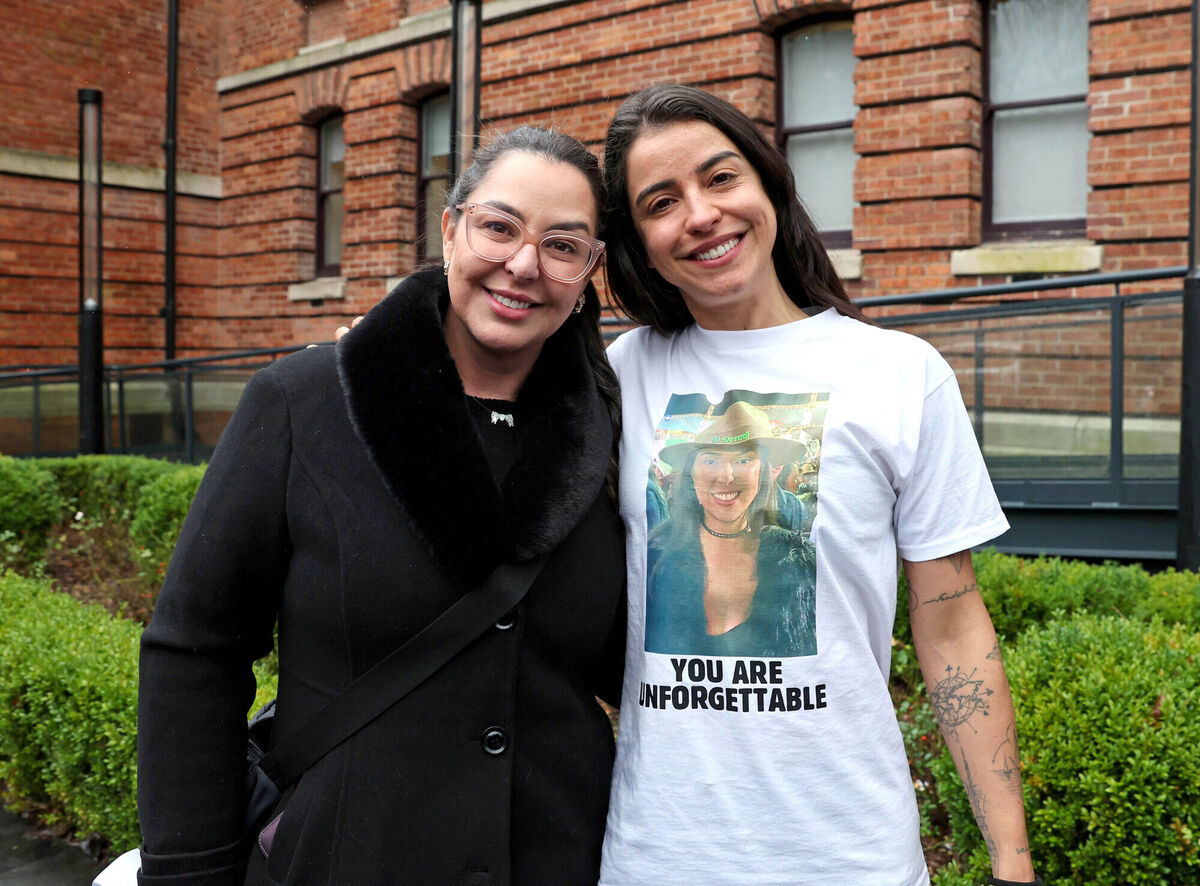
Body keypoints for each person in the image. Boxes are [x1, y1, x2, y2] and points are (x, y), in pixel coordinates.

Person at [136, 126, 626, 886]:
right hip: (345, 858)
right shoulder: (307, 403)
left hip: (563, 860)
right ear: (451, 227)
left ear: (591, 268)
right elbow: (194, 652)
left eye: (563, 246)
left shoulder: (612, 427)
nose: (524, 265)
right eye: (499, 227)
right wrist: (189, 874)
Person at [598, 84, 1039, 886]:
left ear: (768, 184)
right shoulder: (617, 379)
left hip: (852, 855)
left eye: (721, 177)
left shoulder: (900, 375)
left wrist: (1011, 863)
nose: (700, 214)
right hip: (658, 858)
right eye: (661, 201)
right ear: (639, 241)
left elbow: (952, 629)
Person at [644, 400, 816, 657]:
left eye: (744, 459)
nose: (726, 476)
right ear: (692, 472)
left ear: (763, 472)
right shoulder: (655, 553)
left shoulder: (794, 561)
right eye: (711, 460)